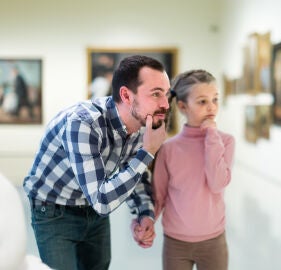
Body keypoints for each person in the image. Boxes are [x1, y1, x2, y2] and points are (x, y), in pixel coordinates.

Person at [23, 55, 171, 270]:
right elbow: (102, 199)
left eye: (166, 94)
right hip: (53, 209)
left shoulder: (142, 125)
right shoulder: (83, 123)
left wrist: (144, 214)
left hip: (93, 209)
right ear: (126, 96)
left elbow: (133, 174)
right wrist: (148, 152)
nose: (165, 104)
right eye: (156, 94)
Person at [142, 69, 235, 270]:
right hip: (176, 242)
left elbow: (217, 183)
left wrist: (211, 134)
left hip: (213, 241)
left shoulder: (225, 142)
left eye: (215, 100)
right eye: (202, 101)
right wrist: (146, 220)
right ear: (183, 106)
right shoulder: (169, 149)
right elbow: (159, 194)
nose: (211, 107)